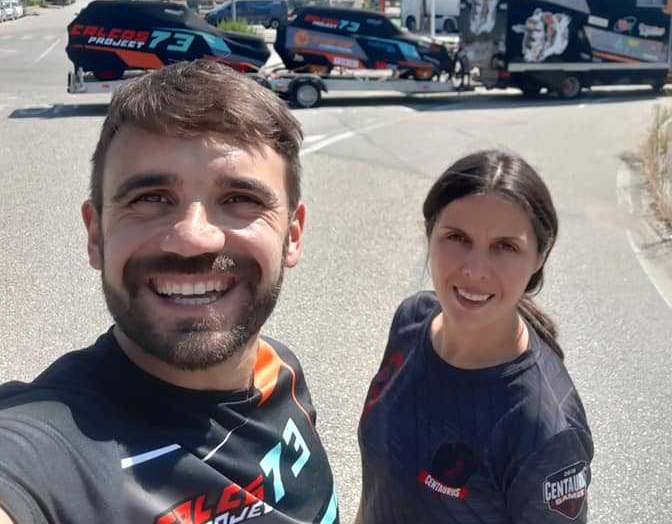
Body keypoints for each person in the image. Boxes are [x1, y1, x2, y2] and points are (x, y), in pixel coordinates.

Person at [0, 61, 339, 524]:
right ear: (96, 236)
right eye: (151, 198)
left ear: (292, 235)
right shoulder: (47, 448)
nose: (193, 238)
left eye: (240, 199)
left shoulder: (278, 368)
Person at [357, 150, 593, 523]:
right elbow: (380, 485)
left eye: (505, 246)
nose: (475, 270)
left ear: (540, 256)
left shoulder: (544, 429)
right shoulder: (411, 320)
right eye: (457, 237)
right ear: (430, 234)